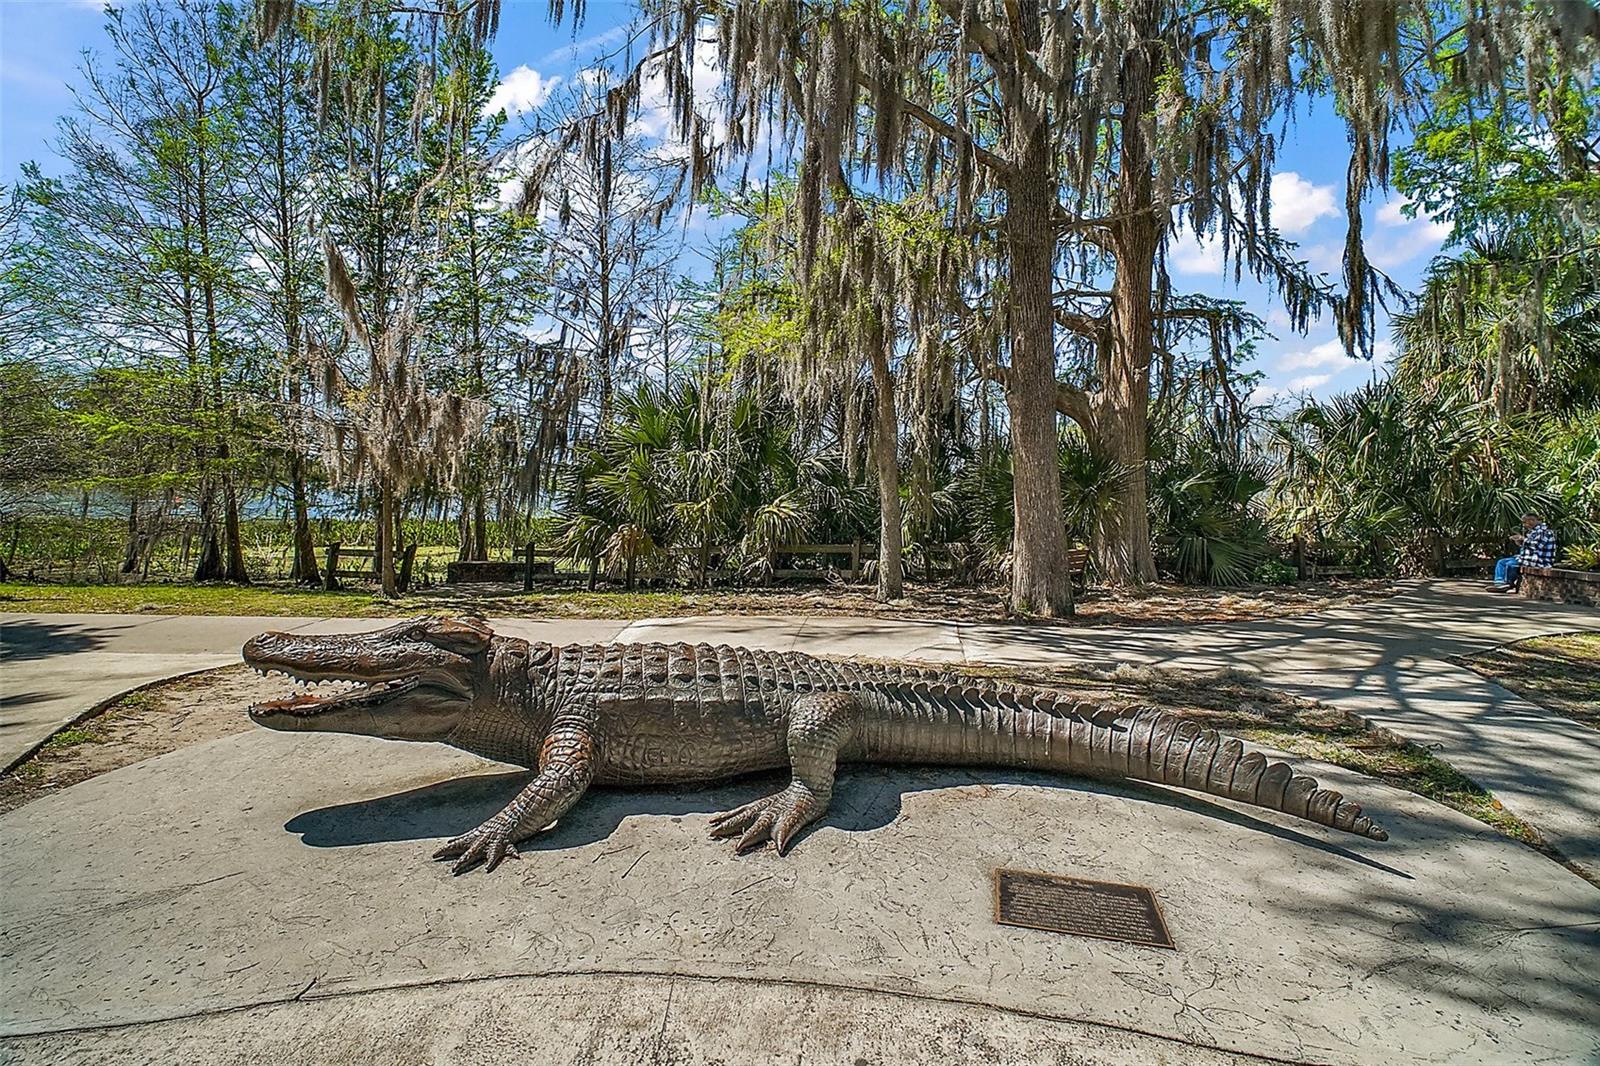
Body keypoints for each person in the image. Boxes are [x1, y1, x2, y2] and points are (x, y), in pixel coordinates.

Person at [1492, 513, 1556, 592]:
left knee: (1511, 565)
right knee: (1501, 562)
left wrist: (1522, 539)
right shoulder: (1534, 532)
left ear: (1532, 521)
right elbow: (1529, 547)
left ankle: (1507, 583)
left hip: (1539, 561)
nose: (1525, 525)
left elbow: (1536, 545)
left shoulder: (1544, 532)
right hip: (1528, 558)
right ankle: (1500, 584)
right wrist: (1520, 542)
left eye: (1525, 522)